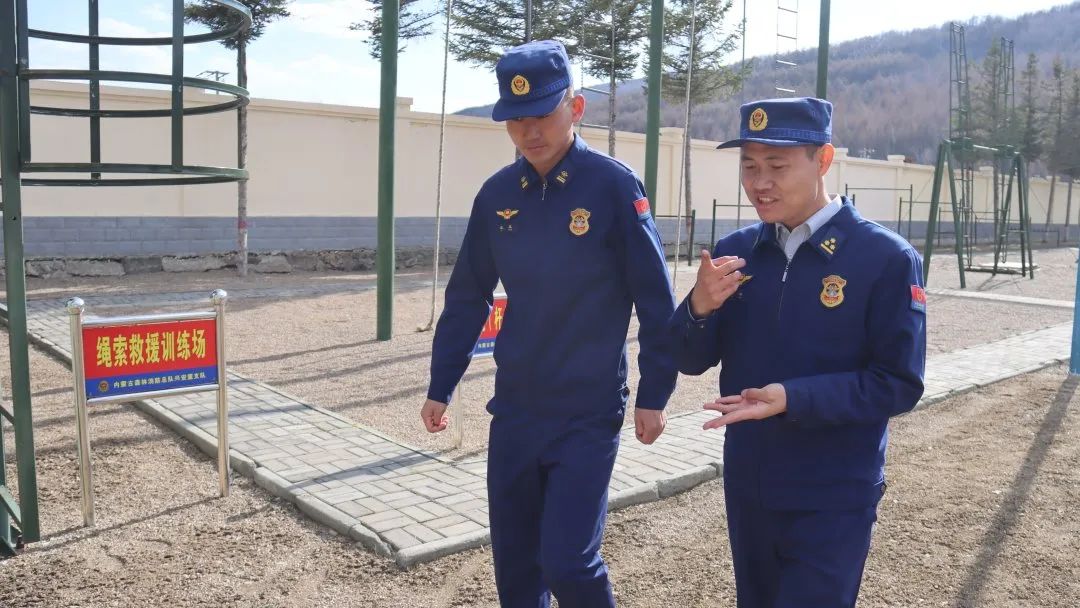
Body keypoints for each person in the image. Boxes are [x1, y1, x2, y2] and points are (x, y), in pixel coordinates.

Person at [421, 39, 677, 607]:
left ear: (575, 108)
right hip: (516, 410)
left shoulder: (613, 187)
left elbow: (655, 299)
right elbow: (467, 296)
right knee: (516, 568)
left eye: (542, 114)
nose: (529, 131)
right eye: (516, 120)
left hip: (587, 412)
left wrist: (655, 393)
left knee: (569, 561)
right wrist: (442, 383)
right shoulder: (496, 195)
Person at [668, 97, 927, 607]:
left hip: (834, 490)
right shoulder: (738, 251)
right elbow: (689, 358)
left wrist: (793, 398)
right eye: (749, 166)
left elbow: (898, 383)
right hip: (751, 484)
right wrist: (698, 306)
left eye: (777, 166)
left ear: (823, 160)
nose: (759, 182)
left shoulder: (885, 258)